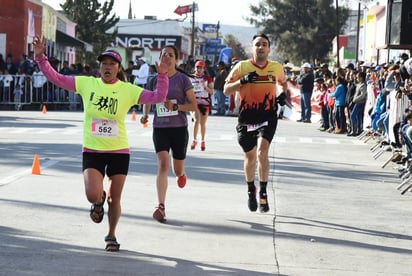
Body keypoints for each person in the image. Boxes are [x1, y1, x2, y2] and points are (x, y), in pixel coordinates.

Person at [32, 35, 171, 251]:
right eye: (104, 63)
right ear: (99, 67)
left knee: (115, 200)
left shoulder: (127, 89)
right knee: (92, 194)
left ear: (118, 68)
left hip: (119, 151)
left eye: (112, 64)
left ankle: (111, 234)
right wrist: (41, 57)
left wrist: (162, 75)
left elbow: (157, 97)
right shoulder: (88, 84)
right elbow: (57, 78)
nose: (107, 67)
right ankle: (98, 201)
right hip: (93, 149)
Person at [223, 33, 287, 213]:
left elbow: (283, 83)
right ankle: (251, 189)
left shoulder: (276, 67)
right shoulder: (241, 66)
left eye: (264, 44)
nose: (261, 47)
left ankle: (264, 193)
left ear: (269, 49)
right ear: (253, 48)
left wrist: (281, 93)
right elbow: (226, 90)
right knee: (250, 158)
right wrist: (242, 81)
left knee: (262, 151)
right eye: (257, 44)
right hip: (246, 119)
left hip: (267, 116)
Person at [140, 45, 197, 223]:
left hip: (179, 128)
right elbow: (149, 98)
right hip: (160, 128)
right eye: (164, 55)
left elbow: (194, 106)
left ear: (176, 59)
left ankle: (181, 174)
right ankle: (161, 206)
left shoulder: (183, 79)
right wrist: (144, 114)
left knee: (176, 169)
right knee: (163, 165)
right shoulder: (154, 79)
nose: (167, 58)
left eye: (170, 55)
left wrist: (176, 107)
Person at [190, 60, 214, 151]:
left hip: (204, 103)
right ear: (195, 68)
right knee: (196, 120)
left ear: (204, 69)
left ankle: (202, 140)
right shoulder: (190, 78)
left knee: (202, 123)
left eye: (201, 68)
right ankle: (194, 139)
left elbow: (212, 91)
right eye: (197, 67)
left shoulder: (207, 79)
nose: (199, 70)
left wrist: (205, 87)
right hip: (194, 103)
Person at [348, 71, 367, 136]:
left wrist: (355, 99)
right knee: (358, 116)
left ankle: (355, 130)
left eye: (358, 77)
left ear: (361, 78)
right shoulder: (359, 84)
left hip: (359, 102)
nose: (356, 79)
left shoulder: (363, 85)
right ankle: (358, 130)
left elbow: (363, 95)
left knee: (353, 116)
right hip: (357, 102)